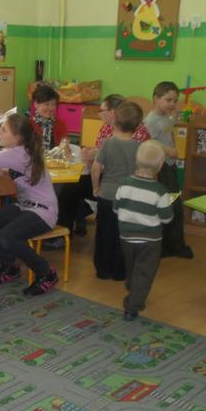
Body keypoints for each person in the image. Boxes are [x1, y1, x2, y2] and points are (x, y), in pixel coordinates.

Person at [0, 113, 60, 296]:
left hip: (43, 212)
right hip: (25, 206)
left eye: (4, 130)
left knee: (8, 235)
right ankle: (10, 267)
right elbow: (10, 170)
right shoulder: (21, 151)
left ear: (17, 137)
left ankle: (46, 273)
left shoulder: (15, 153)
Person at [58, 94, 151, 237]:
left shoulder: (138, 132)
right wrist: (89, 157)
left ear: (113, 113)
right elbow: (96, 165)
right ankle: (67, 231)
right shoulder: (105, 129)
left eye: (102, 110)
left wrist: (96, 159)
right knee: (70, 188)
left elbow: (134, 164)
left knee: (78, 189)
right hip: (105, 178)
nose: (99, 114)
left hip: (125, 184)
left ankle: (83, 215)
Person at [114, 140, 173, 321]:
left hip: (126, 237)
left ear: (136, 160)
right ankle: (132, 306)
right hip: (150, 241)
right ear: (160, 166)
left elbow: (116, 208)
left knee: (132, 268)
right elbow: (167, 218)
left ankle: (134, 288)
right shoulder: (160, 191)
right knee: (145, 272)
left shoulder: (124, 184)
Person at [91, 101, 143, 281]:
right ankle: (120, 271)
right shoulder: (139, 147)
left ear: (115, 120)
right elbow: (141, 173)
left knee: (104, 233)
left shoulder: (107, 143)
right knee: (123, 235)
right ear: (137, 126)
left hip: (107, 196)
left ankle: (102, 270)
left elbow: (96, 168)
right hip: (128, 198)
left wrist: (95, 187)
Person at [144, 81, 194, 259]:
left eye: (175, 100)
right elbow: (149, 142)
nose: (172, 104)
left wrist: (176, 122)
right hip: (161, 167)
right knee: (171, 206)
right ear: (156, 99)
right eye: (168, 100)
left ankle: (171, 245)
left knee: (173, 205)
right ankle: (171, 246)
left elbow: (168, 129)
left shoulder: (166, 116)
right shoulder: (150, 120)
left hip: (170, 166)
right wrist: (168, 150)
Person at [29, 84, 68, 152]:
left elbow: (64, 150)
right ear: (36, 104)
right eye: (47, 104)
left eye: (53, 104)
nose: (50, 108)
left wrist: (66, 148)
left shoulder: (60, 125)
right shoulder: (28, 124)